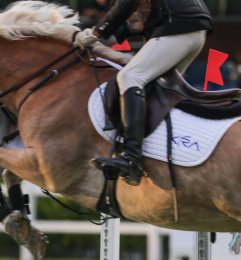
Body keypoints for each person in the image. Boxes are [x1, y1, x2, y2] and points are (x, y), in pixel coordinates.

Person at [74, 0, 213, 186]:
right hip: (191, 29)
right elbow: (127, 25)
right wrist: (98, 36)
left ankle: (131, 157)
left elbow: (126, 4)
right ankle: (161, 154)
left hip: (175, 27)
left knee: (130, 78)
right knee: (157, 88)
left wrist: (97, 32)